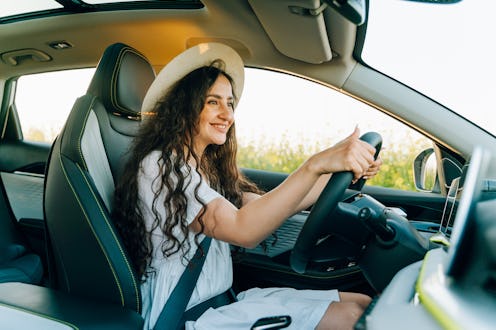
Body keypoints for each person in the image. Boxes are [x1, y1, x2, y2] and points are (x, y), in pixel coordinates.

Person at [113, 43, 382, 330]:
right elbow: (244, 230)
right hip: (185, 316)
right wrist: (314, 165)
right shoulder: (161, 166)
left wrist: (338, 175)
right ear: (184, 107)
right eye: (213, 102)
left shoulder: (208, 168)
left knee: (361, 303)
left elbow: (259, 207)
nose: (227, 114)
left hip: (223, 303)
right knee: (353, 320)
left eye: (229, 103)